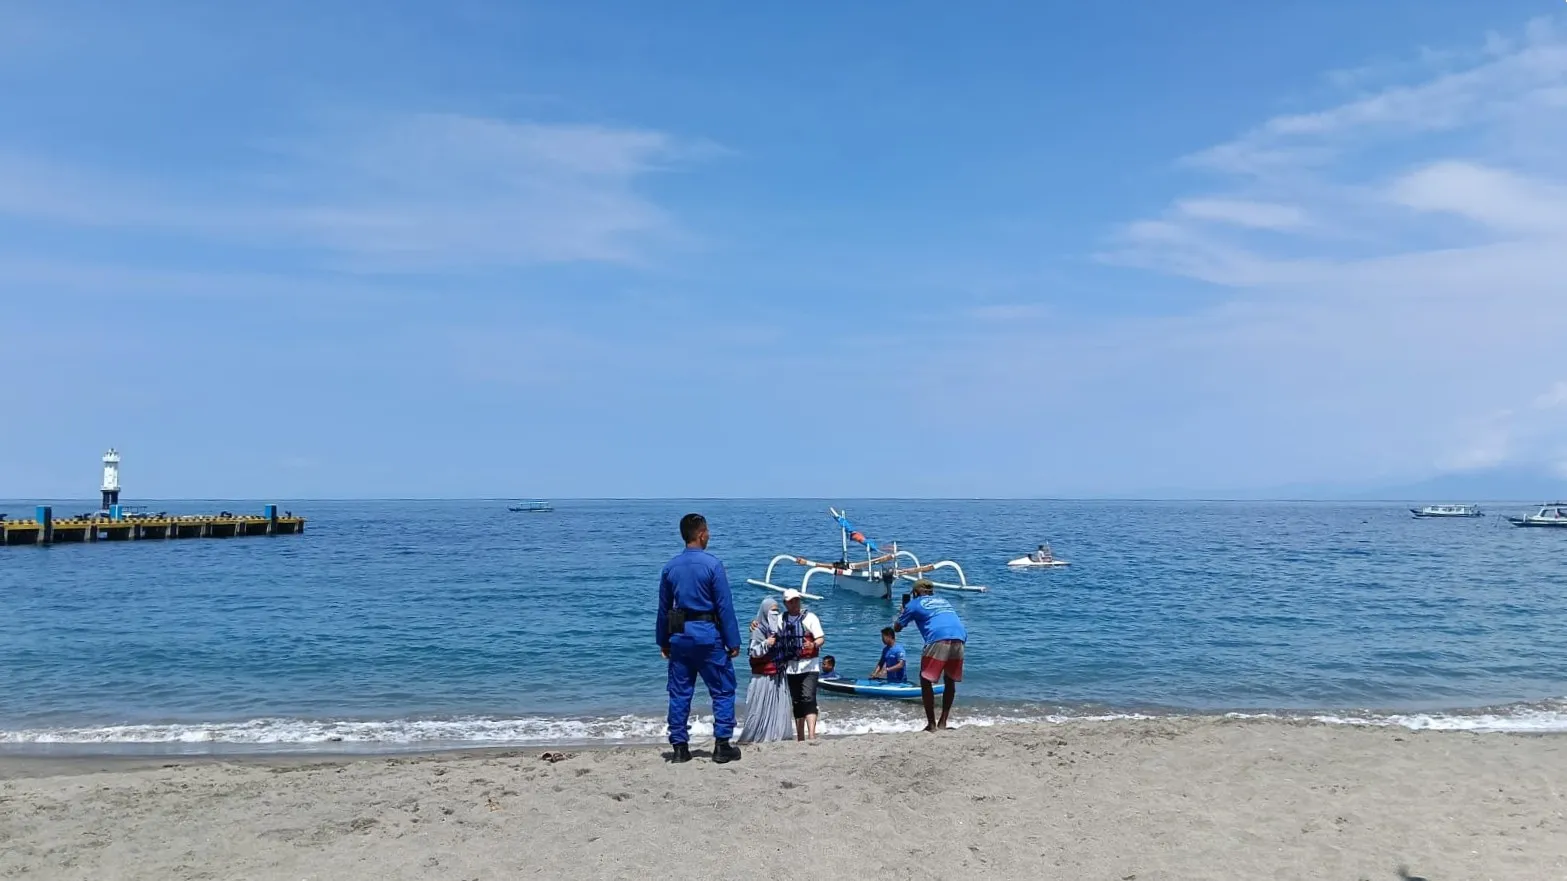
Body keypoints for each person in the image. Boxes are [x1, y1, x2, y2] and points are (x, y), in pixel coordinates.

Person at [657, 513, 743, 764]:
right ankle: (722, 744)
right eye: (708, 531)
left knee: (680, 692)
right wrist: (733, 641)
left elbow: (664, 608)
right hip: (707, 635)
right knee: (723, 689)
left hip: (680, 635)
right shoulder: (713, 565)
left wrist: (663, 640)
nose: (709, 535)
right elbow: (724, 606)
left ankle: (680, 747)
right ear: (701, 533)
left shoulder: (670, 567)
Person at [894, 579, 967, 732]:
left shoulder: (913, 604)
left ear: (915, 592)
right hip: (960, 636)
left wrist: (903, 612)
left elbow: (897, 628)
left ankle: (931, 725)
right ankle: (943, 722)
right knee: (949, 679)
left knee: (925, 680)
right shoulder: (943, 601)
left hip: (938, 637)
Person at [736, 597, 794, 744]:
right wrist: (766, 644)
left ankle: (777, 735)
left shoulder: (780, 629)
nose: (775, 613)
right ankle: (756, 735)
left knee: (778, 708)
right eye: (771, 610)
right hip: (762, 676)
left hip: (778, 675)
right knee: (759, 708)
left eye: (777, 610)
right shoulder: (757, 630)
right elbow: (753, 652)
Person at [778, 588, 826, 741]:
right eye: (791, 601)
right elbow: (768, 631)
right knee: (797, 701)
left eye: (797, 600)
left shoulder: (810, 618)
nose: (795, 603)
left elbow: (820, 638)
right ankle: (800, 736)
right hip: (791, 668)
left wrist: (813, 645)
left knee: (808, 698)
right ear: (785, 603)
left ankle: (811, 734)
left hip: (810, 666)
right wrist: (755, 624)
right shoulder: (780, 620)